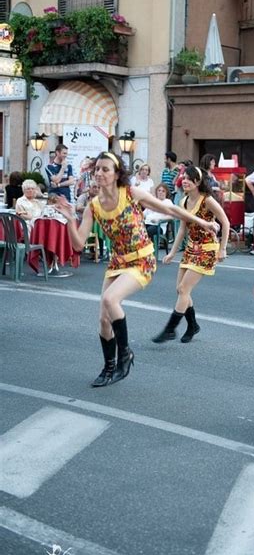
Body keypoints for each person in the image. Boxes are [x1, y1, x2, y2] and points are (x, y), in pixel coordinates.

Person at [55, 151, 218, 388]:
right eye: (97, 169)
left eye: (105, 169)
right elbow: (78, 244)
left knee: (111, 299)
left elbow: (170, 209)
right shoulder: (93, 206)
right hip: (117, 263)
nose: (99, 173)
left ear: (117, 173)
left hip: (142, 259)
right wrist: (71, 219)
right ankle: (109, 367)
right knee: (103, 320)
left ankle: (125, 356)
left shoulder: (131, 193)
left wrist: (203, 222)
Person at [152, 165, 230, 344]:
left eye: (189, 178)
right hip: (190, 249)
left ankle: (170, 329)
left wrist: (223, 248)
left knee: (184, 290)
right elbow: (182, 229)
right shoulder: (183, 201)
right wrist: (172, 252)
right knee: (180, 289)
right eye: (183, 178)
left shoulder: (207, 200)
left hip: (207, 249)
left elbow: (224, 221)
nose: (184, 181)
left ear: (197, 182)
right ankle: (193, 325)